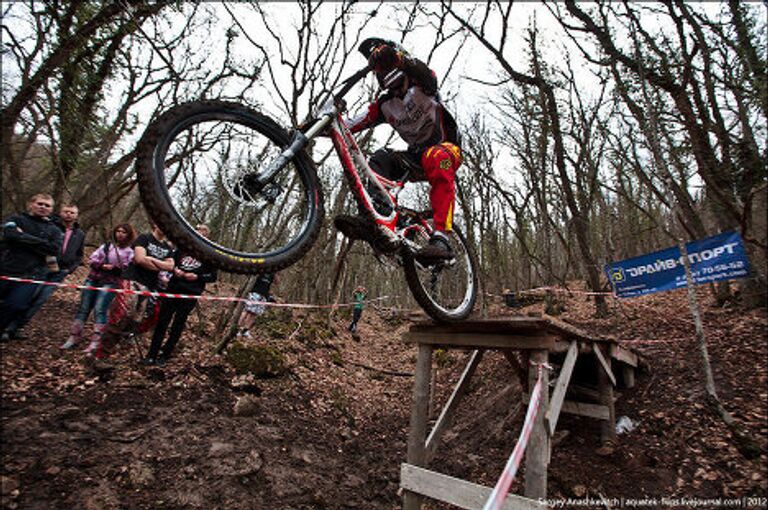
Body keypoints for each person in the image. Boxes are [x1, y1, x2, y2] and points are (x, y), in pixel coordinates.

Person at [333, 37, 462, 264]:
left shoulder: (422, 84)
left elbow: (426, 73)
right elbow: (349, 126)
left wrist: (399, 59)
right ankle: (376, 216)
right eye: (380, 72)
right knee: (381, 158)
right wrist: (320, 125)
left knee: (436, 156)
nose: (385, 74)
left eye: (388, 67)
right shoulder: (384, 104)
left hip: (447, 151)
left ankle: (441, 237)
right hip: (415, 159)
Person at [5, 203, 86, 339]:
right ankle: (6, 326)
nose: (69, 215)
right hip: (42, 266)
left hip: (60, 272)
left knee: (39, 301)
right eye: (66, 211)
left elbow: (79, 254)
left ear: (76, 216)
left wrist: (70, 269)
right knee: (27, 297)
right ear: (60, 212)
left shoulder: (79, 234)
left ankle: (16, 327)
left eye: (72, 213)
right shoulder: (50, 227)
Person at [96, 223, 174, 358]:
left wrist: (150, 259)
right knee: (121, 315)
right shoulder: (144, 238)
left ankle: (114, 347)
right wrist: (160, 265)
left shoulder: (167, 248)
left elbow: (170, 266)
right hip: (132, 280)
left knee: (135, 319)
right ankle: (100, 355)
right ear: (155, 224)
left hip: (149, 286)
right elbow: (139, 259)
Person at [144, 224, 217, 366]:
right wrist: (175, 270)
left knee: (178, 324)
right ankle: (151, 354)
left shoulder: (209, 254)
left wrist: (197, 276)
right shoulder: (182, 248)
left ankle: (165, 355)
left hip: (191, 293)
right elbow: (170, 263)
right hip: (173, 289)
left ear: (207, 237)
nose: (199, 236)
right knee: (162, 321)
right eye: (197, 233)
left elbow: (213, 276)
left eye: (203, 234)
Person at [61, 223, 136, 352]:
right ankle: (74, 337)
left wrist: (116, 268)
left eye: (124, 232)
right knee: (84, 308)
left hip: (111, 281)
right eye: (118, 231)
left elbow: (128, 267)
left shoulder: (130, 251)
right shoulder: (107, 246)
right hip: (94, 278)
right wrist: (101, 265)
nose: (120, 234)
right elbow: (93, 259)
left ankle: (96, 341)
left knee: (100, 309)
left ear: (128, 235)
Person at [0, 194, 63, 338]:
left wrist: (23, 238)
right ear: (31, 204)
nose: (43, 207)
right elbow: (9, 235)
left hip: (31, 275)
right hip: (6, 268)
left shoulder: (54, 230)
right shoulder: (16, 219)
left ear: (51, 209)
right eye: (40, 204)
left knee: (15, 305)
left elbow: (53, 250)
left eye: (47, 205)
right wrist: (41, 244)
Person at [236, 272, 278, 338]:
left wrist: (276, 273)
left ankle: (245, 330)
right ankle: (236, 329)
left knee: (254, 314)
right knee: (246, 311)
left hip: (263, 296)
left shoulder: (272, 273)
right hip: (254, 293)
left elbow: (276, 282)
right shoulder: (259, 270)